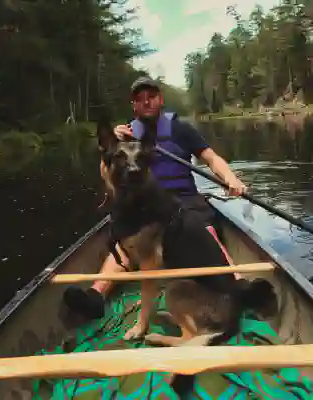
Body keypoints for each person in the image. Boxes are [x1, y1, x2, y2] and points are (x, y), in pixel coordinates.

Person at [63, 76, 247, 320]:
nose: (146, 102)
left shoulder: (181, 129)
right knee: (124, 244)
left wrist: (230, 178)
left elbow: (211, 158)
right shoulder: (125, 136)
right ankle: (96, 296)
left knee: (204, 231)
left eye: (150, 97)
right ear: (133, 106)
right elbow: (106, 174)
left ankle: (238, 284)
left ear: (160, 99)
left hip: (184, 200)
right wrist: (108, 150)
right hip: (144, 203)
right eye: (139, 99)